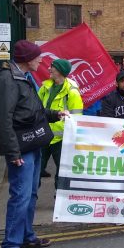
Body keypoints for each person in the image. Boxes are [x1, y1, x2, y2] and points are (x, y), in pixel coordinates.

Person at [0, 40, 68, 248]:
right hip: (21, 147)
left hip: (32, 144)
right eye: (38, 57)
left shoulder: (24, 78)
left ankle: (26, 235)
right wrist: (13, 152)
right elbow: (3, 119)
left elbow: (32, 110)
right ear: (27, 59)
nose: (42, 60)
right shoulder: (7, 80)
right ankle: (10, 245)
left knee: (32, 193)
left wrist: (55, 114)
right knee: (21, 194)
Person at [37, 59, 84, 189]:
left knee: (62, 172)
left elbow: (76, 117)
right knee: (36, 171)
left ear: (60, 71)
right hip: (43, 135)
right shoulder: (45, 87)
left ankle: (59, 200)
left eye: (52, 67)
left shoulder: (72, 91)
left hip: (61, 139)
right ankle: (30, 200)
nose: (49, 69)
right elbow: (36, 108)